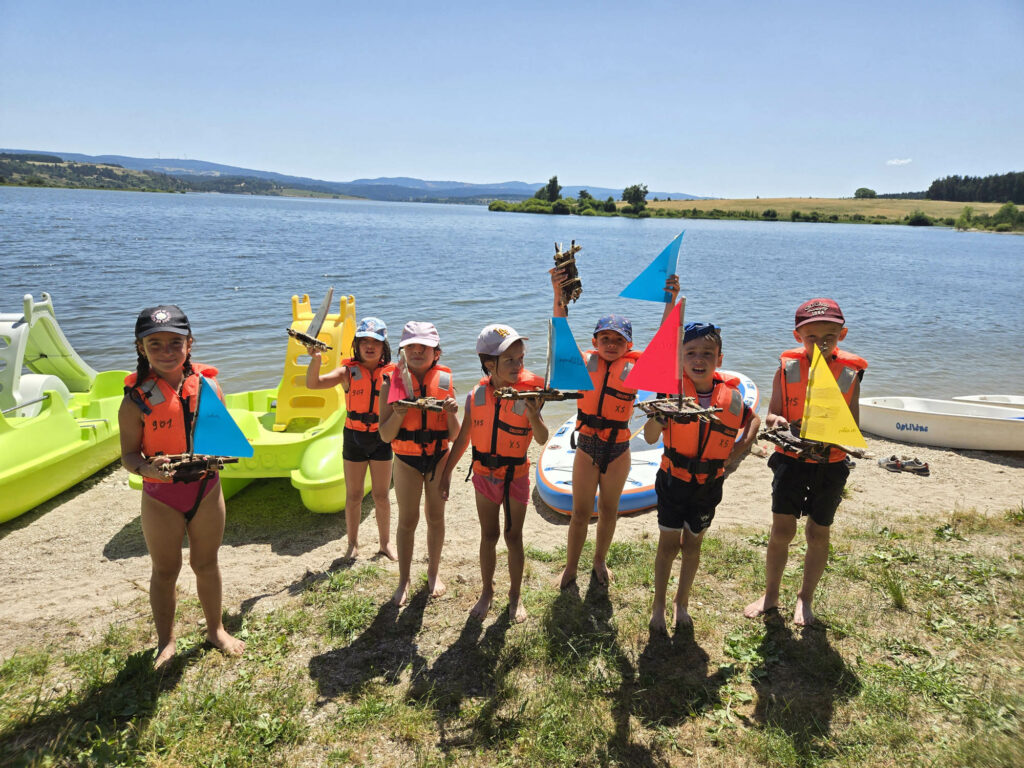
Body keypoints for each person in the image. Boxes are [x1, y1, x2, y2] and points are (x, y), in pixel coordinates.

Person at [118, 305, 245, 668]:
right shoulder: (135, 401)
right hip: (161, 497)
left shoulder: (209, 387)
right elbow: (128, 455)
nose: (166, 351)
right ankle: (166, 640)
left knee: (207, 563)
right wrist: (147, 469)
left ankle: (216, 629)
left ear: (190, 343)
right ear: (141, 347)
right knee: (164, 570)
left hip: (206, 490)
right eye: (154, 343)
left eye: (175, 342)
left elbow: (222, 435)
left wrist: (224, 451)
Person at [550, 267, 679, 588]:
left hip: (619, 450)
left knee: (609, 511)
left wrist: (671, 301)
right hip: (587, 448)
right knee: (580, 514)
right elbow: (560, 333)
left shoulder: (634, 370)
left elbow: (664, 343)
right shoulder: (582, 363)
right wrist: (558, 294)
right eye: (604, 338)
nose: (611, 344)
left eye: (618, 340)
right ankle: (570, 568)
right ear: (594, 341)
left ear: (629, 344)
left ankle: (599, 561)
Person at [744, 298, 867, 626]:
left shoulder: (850, 373)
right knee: (782, 530)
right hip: (790, 460)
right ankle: (771, 594)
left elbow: (853, 423)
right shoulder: (788, 368)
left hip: (831, 462)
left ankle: (805, 598)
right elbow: (774, 411)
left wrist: (845, 438)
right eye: (812, 337)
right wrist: (776, 422)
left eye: (830, 336)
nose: (821, 343)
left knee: (818, 531)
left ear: (842, 334)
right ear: (798, 337)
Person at [644, 322, 760, 633]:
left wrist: (740, 449)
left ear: (719, 358)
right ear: (680, 359)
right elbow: (650, 437)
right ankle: (659, 605)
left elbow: (753, 419)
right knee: (667, 546)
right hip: (673, 481)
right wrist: (659, 415)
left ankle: (681, 603)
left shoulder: (732, 397)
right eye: (691, 352)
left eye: (707, 353)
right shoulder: (671, 393)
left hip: (709, 486)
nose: (699, 359)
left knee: (693, 544)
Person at [440, 325, 549, 623]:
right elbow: (463, 439)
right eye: (510, 360)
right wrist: (447, 473)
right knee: (489, 535)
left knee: (514, 536)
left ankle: (515, 596)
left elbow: (541, 438)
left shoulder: (529, 395)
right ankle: (487, 591)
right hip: (484, 475)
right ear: (490, 364)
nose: (518, 366)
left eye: (521, 359)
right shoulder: (475, 396)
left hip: (516, 476)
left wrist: (532, 414)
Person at [378, 321, 460, 606]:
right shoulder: (391, 381)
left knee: (435, 518)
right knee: (408, 520)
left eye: (423, 347)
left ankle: (433, 573)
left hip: (439, 458)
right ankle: (404, 579)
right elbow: (386, 434)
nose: (416, 351)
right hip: (405, 461)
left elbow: (454, 434)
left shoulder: (446, 381)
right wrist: (399, 414)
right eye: (410, 346)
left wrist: (451, 413)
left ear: (435, 352)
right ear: (402, 351)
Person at [305, 317, 397, 561]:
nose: (370, 346)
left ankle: (386, 543)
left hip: (381, 439)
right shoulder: (347, 372)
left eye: (375, 342)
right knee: (354, 495)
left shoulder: (393, 374)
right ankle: (352, 544)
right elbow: (313, 384)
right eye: (364, 341)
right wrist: (316, 359)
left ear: (383, 346)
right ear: (356, 344)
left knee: (382, 496)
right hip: (354, 438)